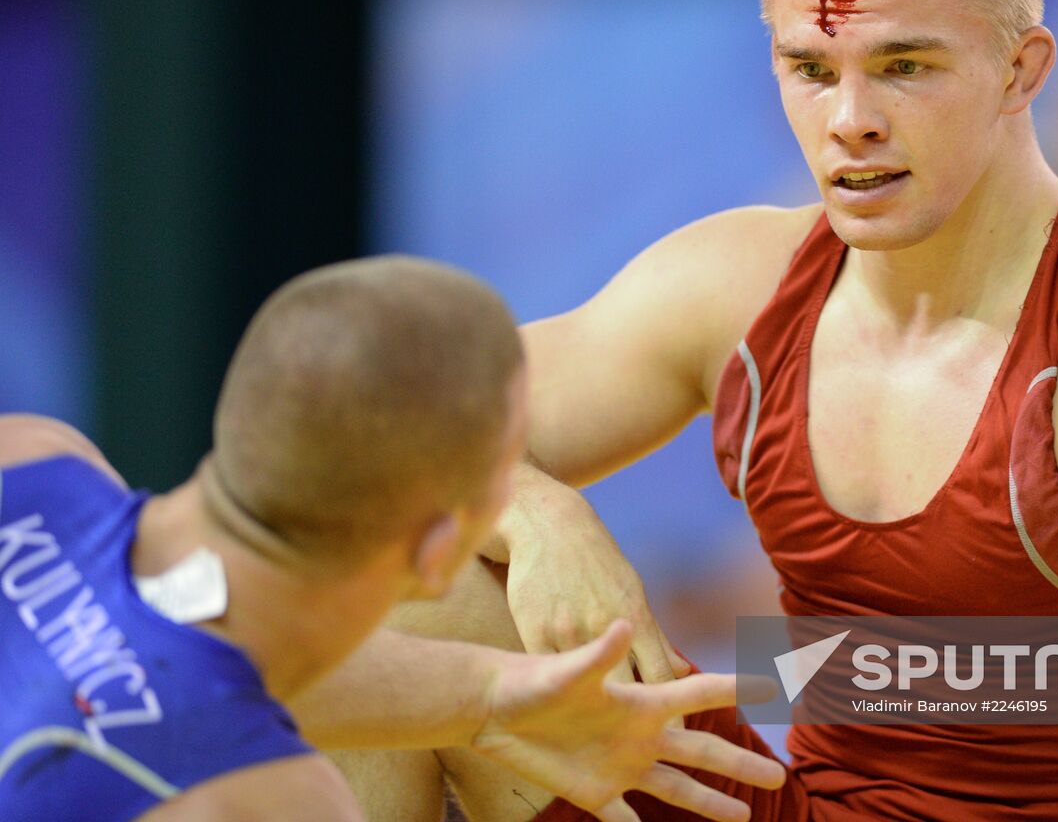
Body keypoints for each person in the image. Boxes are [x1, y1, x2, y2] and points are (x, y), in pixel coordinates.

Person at [330, 0, 1058, 821]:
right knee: (392, 583)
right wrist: (534, 512)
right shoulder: (738, 287)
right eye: (813, 69)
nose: (851, 120)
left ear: (1021, 69)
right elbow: (353, 429)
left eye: (904, 65)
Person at [0, 257, 786, 822]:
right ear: (439, 547)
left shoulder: (32, 451)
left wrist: (478, 699)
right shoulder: (262, 798)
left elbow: (151, 670)